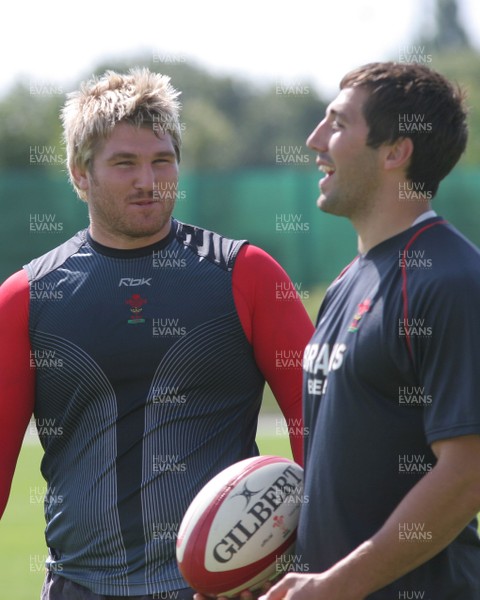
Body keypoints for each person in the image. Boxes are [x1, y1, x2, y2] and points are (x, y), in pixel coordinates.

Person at [0, 67, 314, 599]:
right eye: (125, 163)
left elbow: (320, 426)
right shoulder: (25, 298)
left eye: (161, 160)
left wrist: (311, 563)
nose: (149, 181)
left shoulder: (248, 275)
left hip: (226, 592)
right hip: (78, 588)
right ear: (80, 173)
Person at [254, 62, 480, 599]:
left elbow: (468, 472)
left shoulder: (452, 280)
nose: (314, 140)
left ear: (395, 151)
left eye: (336, 123)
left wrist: (338, 585)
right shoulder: (347, 281)